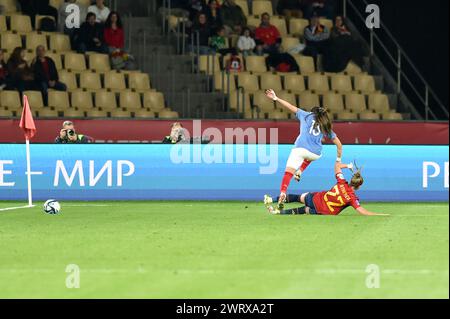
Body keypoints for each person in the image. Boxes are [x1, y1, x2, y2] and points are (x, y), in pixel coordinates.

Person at [264, 88, 343, 210]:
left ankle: (283, 193)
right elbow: (339, 144)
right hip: (316, 154)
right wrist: (338, 159)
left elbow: (290, 106)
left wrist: (276, 98)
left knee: (288, 173)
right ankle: (300, 170)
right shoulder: (325, 124)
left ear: (313, 112)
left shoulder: (305, 115)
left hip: (300, 150)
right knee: (312, 154)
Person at [264, 161, 389, 216]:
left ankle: (271, 200)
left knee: (299, 197)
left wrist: (348, 166)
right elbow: (362, 211)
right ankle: (278, 212)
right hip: (323, 210)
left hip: (316, 198)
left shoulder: (341, 182)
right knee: (303, 210)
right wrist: (379, 214)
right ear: (359, 186)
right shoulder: (352, 198)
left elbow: (337, 166)